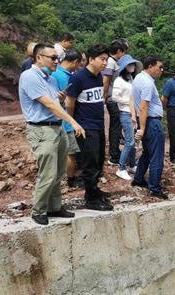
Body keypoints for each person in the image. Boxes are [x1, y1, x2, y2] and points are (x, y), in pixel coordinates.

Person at [19, 43, 86, 225]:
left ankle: (55, 207)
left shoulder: (51, 79)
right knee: (47, 172)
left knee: (59, 171)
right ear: (39, 57)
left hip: (57, 127)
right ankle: (39, 210)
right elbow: (49, 104)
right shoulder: (30, 77)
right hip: (41, 129)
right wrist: (72, 121)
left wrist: (61, 100)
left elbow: (55, 103)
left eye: (58, 58)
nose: (57, 61)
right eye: (53, 58)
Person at [66, 44, 113, 211]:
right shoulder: (78, 78)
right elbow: (69, 103)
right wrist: (73, 123)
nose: (105, 63)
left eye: (106, 59)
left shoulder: (99, 77)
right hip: (85, 126)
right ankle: (91, 198)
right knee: (90, 162)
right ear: (91, 59)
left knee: (99, 160)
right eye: (102, 59)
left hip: (99, 125)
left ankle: (95, 190)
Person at [131, 55, 168, 200]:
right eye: (160, 67)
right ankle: (154, 188)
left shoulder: (138, 78)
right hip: (151, 122)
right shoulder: (147, 83)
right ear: (150, 67)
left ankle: (139, 178)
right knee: (157, 156)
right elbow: (143, 107)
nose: (161, 70)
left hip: (146, 121)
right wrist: (143, 129)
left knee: (147, 152)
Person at [50, 49, 85, 188]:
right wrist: (73, 120)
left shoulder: (55, 72)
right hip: (66, 120)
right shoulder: (65, 77)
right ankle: (71, 179)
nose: (80, 66)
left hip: (57, 118)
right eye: (80, 62)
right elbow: (69, 102)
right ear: (75, 62)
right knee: (71, 152)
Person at [112, 54, 142, 180]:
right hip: (125, 113)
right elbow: (115, 97)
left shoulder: (131, 78)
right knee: (129, 141)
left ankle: (132, 164)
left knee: (135, 141)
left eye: (133, 64)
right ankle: (121, 168)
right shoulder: (119, 80)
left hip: (134, 113)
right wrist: (130, 102)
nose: (132, 67)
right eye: (130, 65)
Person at [103, 39, 129, 166]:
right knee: (115, 128)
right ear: (119, 51)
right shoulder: (110, 62)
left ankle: (115, 153)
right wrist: (104, 97)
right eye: (124, 52)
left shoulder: (114, 62)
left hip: (114, 99)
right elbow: (106, 80)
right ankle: (114, 156)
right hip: (113, 100)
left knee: (117, 127)